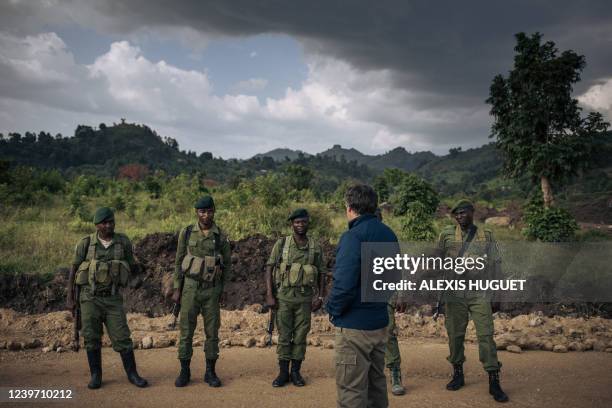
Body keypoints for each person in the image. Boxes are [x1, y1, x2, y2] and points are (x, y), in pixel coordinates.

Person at [326, 185, 398, 408]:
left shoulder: (352, 237)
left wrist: (333, 310)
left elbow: (344, 285)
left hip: (354, 329)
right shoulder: (388, 234)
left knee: (352, 393)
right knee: (376, 388)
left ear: (349, 207)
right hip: (379, 324)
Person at [66, 207, 148, 389]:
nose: (109, 225)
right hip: (89, 298)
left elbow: (133, 265)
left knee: (122, 337)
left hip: (112, 299)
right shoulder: (86, 243)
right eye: (105, 223)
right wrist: (70, 297)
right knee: (91, 337)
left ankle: (133, 374)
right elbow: (73, 270)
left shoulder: (123, 242)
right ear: (97, 225)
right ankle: (96, 376)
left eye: (111, 221)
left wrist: (137, 279)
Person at [437, 199, 508, 403]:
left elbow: (496, 265)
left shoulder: (486, 235)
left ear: (472, 213)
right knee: (455, 335)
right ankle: (457, 373)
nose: (459, 217)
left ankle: (493, 379)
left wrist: (497, 293)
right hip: (455, 293)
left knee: (486, 334)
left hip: (480, 292)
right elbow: (437, 260)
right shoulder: (447, 234)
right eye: (456, 214)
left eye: (463, 213)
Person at [172, 196, 232, 388]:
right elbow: (179, 260)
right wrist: (176, 288)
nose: (206, 215)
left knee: (212, 332)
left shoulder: (220, 235)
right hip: (190, 289)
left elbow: (228, 265)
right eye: (202, 211)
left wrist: (222, 289)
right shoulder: (187, 232)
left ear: (214, 211)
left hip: (211, 290)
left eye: (209, 211)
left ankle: (210, 372)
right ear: (196, 212)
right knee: (186, 332)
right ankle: (184, 371)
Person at [265, 208, 326, 387]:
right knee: (284, 336)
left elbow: (322, 272)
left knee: (300, 336)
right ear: (292, 224)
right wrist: (269, 294)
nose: (300, 225)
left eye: (303, 222)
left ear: (308, 223)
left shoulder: (315, 247)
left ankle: (296, 372)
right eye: (297, 222)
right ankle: (283, 373)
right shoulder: (282, 244)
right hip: (283, 297)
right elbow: (269, 267)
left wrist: (321, 297)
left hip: (305, 300)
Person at [374, 208, 407, 396]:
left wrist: (401, 294)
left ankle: (395, 373)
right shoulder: (357, 237)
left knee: (388, 333)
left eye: (377, 218)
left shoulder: (389, 238)